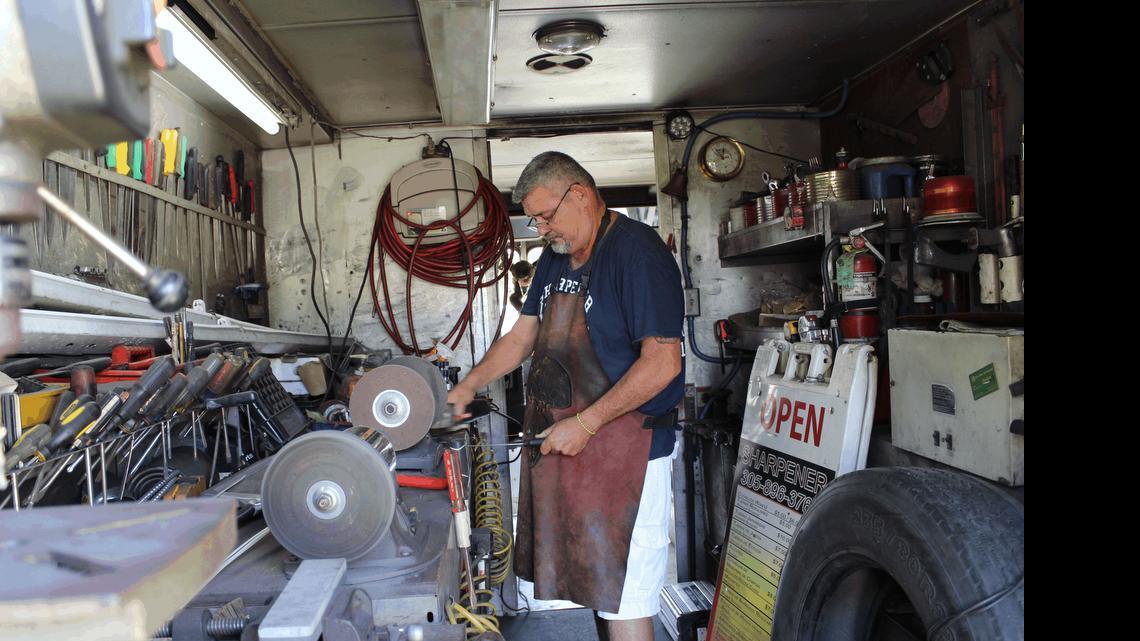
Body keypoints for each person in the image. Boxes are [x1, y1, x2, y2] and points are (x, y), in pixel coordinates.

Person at [447, 151, 684, 641]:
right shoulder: (555, 259)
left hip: (629, 456)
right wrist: (468, 384)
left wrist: (588, 424)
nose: (541, 230)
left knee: (626, 600)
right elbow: (522, 336)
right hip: (575, 449)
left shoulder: (636, 253)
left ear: (579, 194)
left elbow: (662, 363)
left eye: (546, 216)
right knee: (597, 588)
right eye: (533, 220)